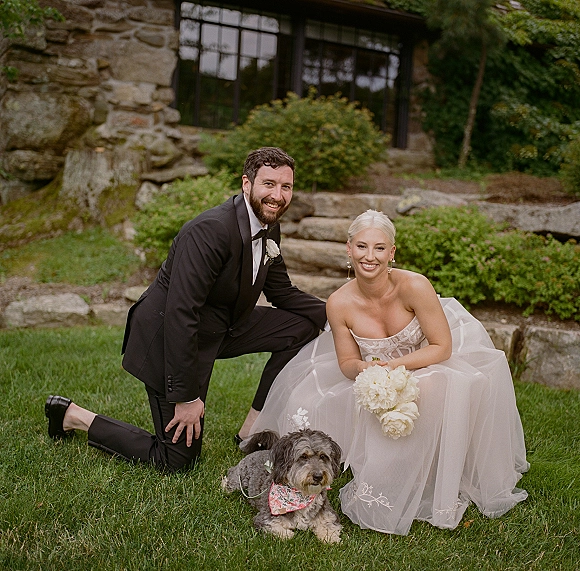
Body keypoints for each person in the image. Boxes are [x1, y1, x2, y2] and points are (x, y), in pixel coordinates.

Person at [45, 147, 327, 472]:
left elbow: (282, 292)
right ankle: (72, 416)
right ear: (247, 184)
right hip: (169, 337)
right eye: (269, 184)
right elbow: (180, 313)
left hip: (222, 326)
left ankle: (254, 427)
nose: (277, 195)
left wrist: (340, 321)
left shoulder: (268, 226)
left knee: (301, 328)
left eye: (286, 186)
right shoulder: (210, 231)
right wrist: (186, 397)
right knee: (177, 460)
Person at [248, 209, 529, 535]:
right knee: (308, 397)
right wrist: (368, 371)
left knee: (439, 386)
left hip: (427, 362)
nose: (370, 256)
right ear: (348, 248)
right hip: (374, 370)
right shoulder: (338, 303)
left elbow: (441, 347)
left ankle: (421, 476)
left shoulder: (414, 286)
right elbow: (347, 363)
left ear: (391, 252)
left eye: (380, 248)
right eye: (362, 247)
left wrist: (393, 368)